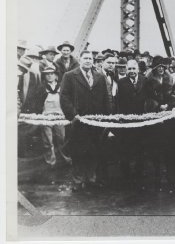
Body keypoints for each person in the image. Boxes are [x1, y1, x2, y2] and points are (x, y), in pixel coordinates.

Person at [59, 50, 111, 192]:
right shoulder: (69, 76)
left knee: (94, 151)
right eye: (85, 58)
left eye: (90, 58)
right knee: (78, 151)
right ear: (80, 60)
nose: (88, 61)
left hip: (95, 122)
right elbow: (64, 97)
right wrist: (73, 115)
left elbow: (106, 97)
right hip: (78, 122)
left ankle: (91, 178)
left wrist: (106, 118)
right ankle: (78, 180)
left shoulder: (99, 77)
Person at [146, 55, 175, 190]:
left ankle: (170, 178)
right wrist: (156, 106)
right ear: (154, 68)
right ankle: (157, 178)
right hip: (154, 119)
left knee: (169, 148)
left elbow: (173, 96)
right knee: (156, 149)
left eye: (163, 67)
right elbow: (147, 98)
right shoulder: (148, 81)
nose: (161, 69)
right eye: (158, 67)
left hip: (168, 119)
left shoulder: (169, 79)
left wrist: (170, 106)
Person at [115, 59, 149, 184]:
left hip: (141, 119)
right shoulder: (121, 82)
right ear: (126, 70)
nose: (131, 71)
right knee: (126, 146)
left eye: (134, 69)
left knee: (141, 145)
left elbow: (149, 97)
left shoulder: (144, 80)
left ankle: (140, 170)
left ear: (138, 70)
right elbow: (118, 101)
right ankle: (126, 173)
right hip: (127, 119)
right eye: (129, 69)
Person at [35, 67, 72, 167]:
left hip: (60, 116)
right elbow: (37, 103)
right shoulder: (42, 88)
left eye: (52, 73)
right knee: (48, 141)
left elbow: (66, 100)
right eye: (47, 74)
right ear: (44, 76)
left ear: (56, 75)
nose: (50, 76)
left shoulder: (62, 87)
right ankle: (51, 162)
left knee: (62, 138)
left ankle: (65, 159)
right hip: (46, 117)